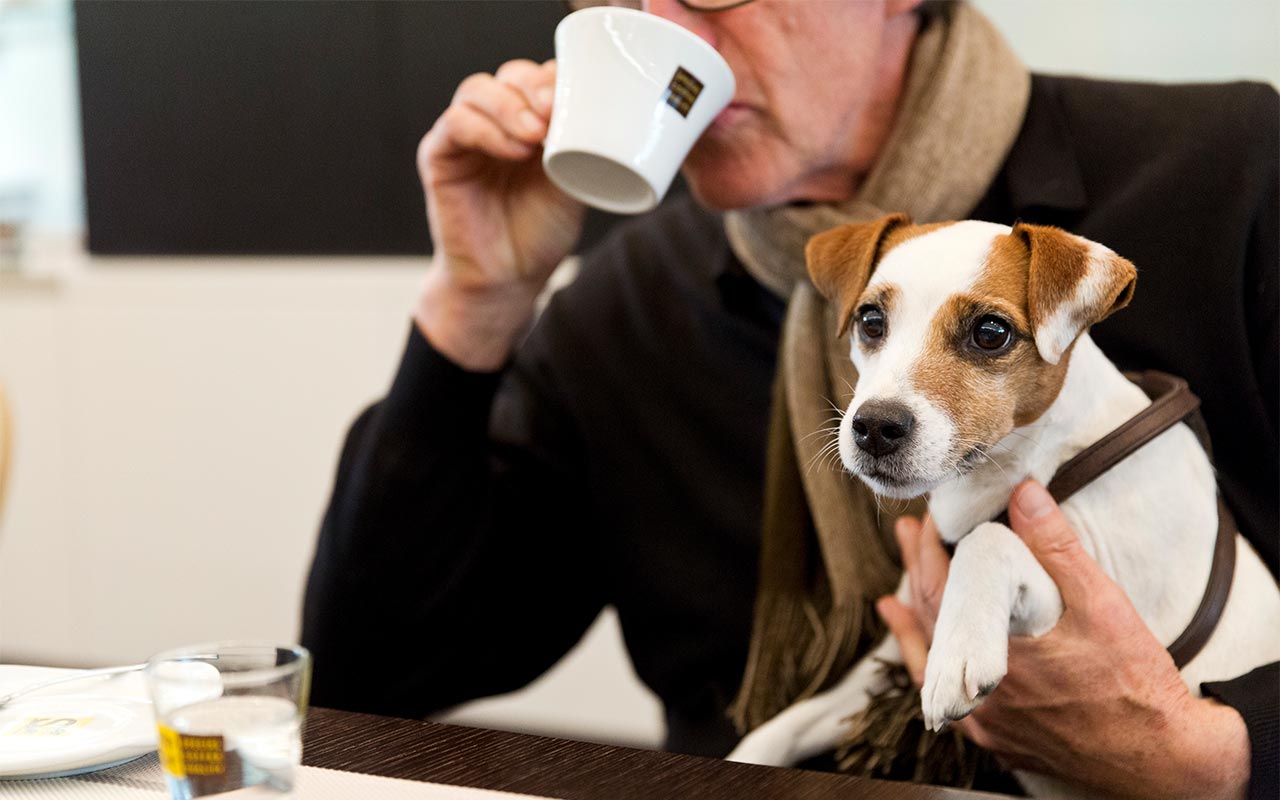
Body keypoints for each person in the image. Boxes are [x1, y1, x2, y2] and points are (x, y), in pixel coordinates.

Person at [301, 1, 1278, 797]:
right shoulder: (623, 307)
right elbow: (373, 677)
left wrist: (1208, 754)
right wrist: (476, 301)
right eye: (623, 1)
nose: (670, 36)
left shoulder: (1230, 175)